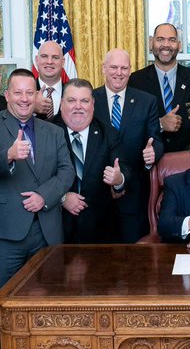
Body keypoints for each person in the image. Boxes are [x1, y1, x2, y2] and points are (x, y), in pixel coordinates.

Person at [0, 69, 75, 349]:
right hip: (2, 231)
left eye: (30, 93)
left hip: (45, 228)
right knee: (0, 300)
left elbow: (67, 171)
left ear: (38, 96)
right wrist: (7, 155)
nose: (23, 98)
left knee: (45, 300)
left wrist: (45, 196)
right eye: (17, 92)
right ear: (7, 95)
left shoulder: (52, 131)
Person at [93, 49, 163, 242]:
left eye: (124, 68)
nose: (119, 73)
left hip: (134, 193)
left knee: (134, 253)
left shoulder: (147, 101)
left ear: (130, 70)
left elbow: (156, 139)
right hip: (97, 192)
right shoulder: (89, 99)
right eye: (114, 67)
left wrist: (153, 152)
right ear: (104, 68)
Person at [53, 78, 126, 244]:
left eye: (84, 101)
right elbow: (37, 177)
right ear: (62, 103)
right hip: (58, 227)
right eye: (71, 100)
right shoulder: (47, 131)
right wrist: (61, 197)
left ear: (93, 104)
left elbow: (124, 169)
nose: (78, 106)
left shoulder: (108, 133)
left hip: (100, 230)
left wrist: (119, 179)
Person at [128, 22, 190, 153]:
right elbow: (131, 127)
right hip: (148, 161)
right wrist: (160, 124)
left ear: (179, 45)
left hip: (188, 159)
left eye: (172, 40)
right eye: (160, 39)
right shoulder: (135, 81)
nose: (166, 44)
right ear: (151, 44)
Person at [33, 40, 66, 118]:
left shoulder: (72, 92)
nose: (49, 62)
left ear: (63, 62)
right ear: (37, 60)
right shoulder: (26, 94)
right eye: (44, 56)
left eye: (55, 57)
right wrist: (30, 107)